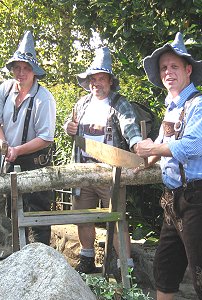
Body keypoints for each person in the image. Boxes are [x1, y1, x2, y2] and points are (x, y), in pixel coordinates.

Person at [135, 32, 202, 299]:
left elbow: (192, 147)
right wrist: (145, 159)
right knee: (164, 271)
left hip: (200, 200)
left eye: (174, 66)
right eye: (164, 68)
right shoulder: (172, 108)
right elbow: (163, 146)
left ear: (188, 70)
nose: (168, 72)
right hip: (172, 201)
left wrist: (153, 148)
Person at [64, 47, 142, 275]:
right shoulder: (82, 104)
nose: (96, 83)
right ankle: (87, 259)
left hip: (110, 173)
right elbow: (72, 126)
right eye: (93, 79)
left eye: (101, 78)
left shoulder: (119, 103)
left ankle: (125, 268)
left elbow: (130, 127)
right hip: (83, 171)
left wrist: (138, 145)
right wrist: (69, 127)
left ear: (109, 81)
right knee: (82, 216)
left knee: (117, 218)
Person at [0, 31, 56, 245]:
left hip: (36, 165)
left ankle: (41, 267)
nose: (21, 72)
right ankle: (18, 261)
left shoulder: (43, 98)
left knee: (39, 220)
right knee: (14, 217)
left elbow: (46, 138)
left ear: (34, 71)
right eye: (17, 67)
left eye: (26, 68)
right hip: (10, 161)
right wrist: (4, 146)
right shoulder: (5, 89)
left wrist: (17, 150)